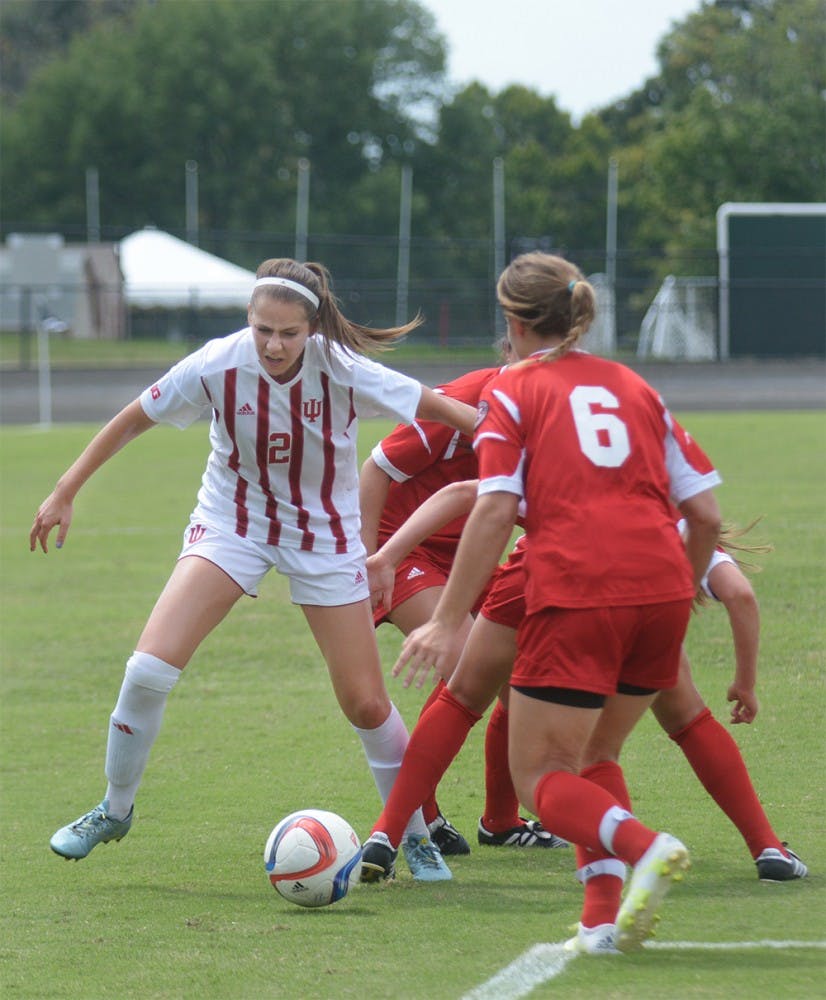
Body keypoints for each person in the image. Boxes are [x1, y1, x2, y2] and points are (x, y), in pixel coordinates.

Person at [30, 257, 476, 882]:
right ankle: (114, 807)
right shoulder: (218, 362)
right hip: (231, 524)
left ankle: (414, 833)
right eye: (262, 328)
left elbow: (442, 407)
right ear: (250, 320)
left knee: (366, 702)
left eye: (288, 333)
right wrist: (65, 489)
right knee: (148, 668)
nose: (272, 344)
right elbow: (135, 416)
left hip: (324, 537)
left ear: (313, 329)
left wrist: (519, 446)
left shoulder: (342, 368)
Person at [362, 251, 723, 954]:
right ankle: (599, 921)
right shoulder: (634, 385)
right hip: (663, 591)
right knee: (598, 752)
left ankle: (646, 845)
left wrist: (443, 620)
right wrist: (686, 585)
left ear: (513, 322)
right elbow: (704, 514)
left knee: (542, 779)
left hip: (578, 588)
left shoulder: (514, 393)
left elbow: (493, 511)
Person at [364, 489, 807, 889]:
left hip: (535, 576)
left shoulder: (562, 452)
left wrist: (388, 556)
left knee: (462, 700)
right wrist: (745, 683)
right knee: (661, 730)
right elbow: (741, 595)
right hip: (636, 600)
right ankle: (763, 847)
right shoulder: (672, 508)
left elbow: (466, 495)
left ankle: (388, 830)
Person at [360, 355, 565, 860]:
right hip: (403, 547)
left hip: (468, 550)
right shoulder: (463, 403)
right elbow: (376, 467)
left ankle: (500, 821)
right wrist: (367, 563)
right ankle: (420, 816)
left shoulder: (553, 408)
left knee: (517, 681)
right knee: (462, 663)